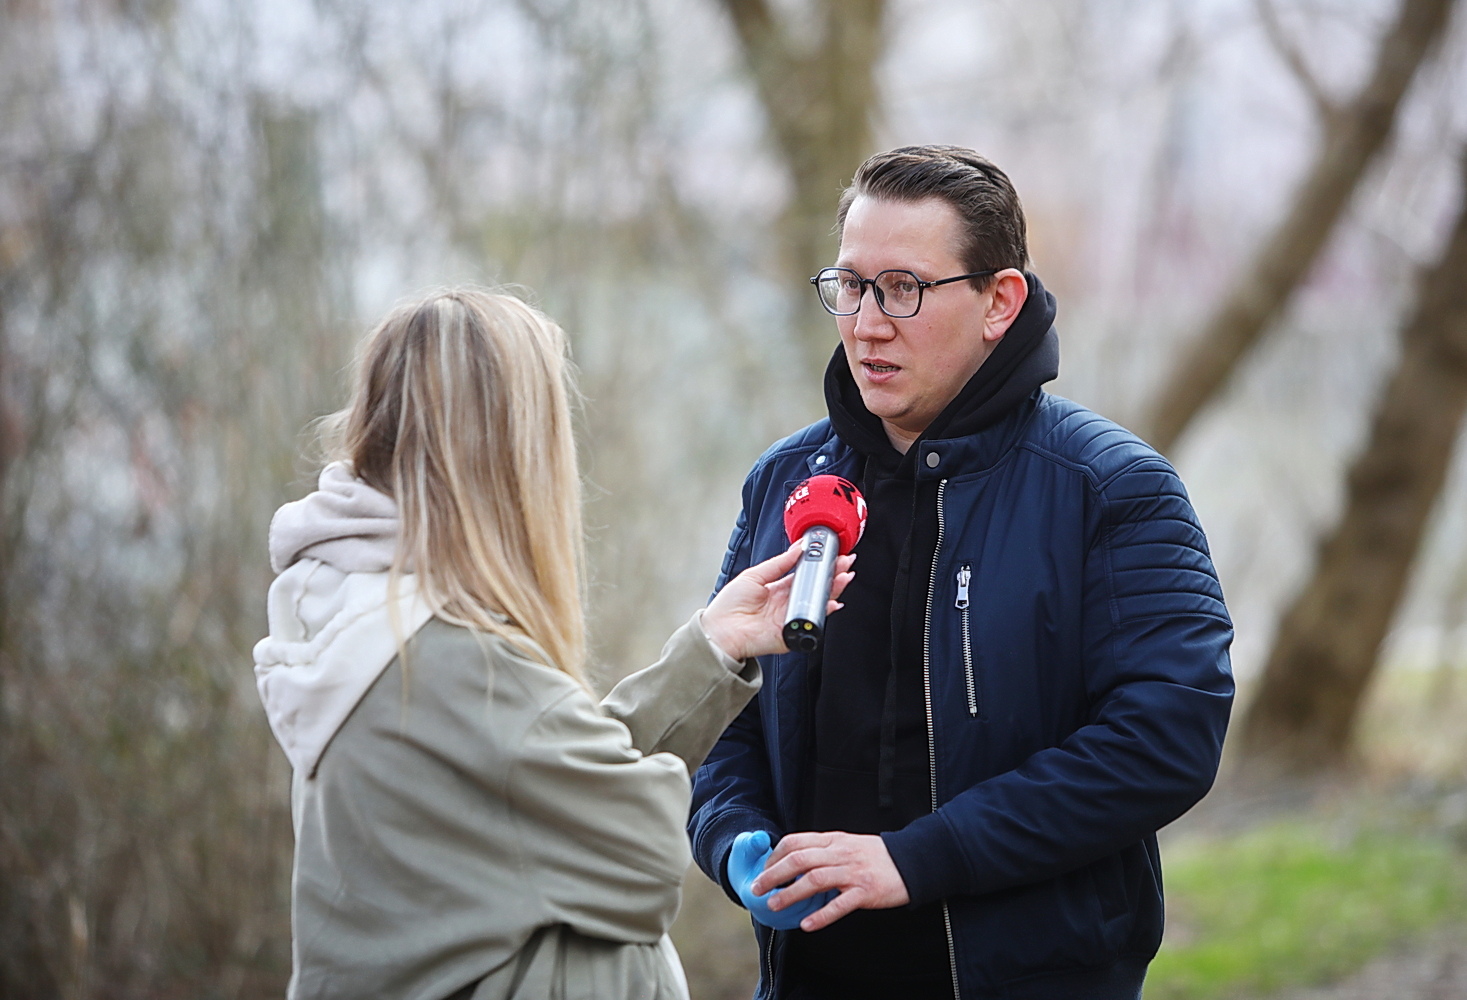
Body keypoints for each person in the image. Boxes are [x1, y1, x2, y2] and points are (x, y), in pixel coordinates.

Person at [688, 145, 1235, 999]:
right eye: (850, 285)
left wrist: (916, 860)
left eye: (903, 288)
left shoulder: (1110, 488)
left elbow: (1165, 741)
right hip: (809, 978)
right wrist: (735, 841)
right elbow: (724, 714)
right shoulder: (784, 482)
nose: (868, 322)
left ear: (999, 302)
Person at [251, 289, 852, 1000]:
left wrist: (712, 646)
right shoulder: (448, 660)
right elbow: (634, 853)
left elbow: (543, 776)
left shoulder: (366, 616)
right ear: (507, 448)